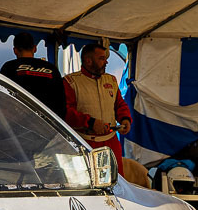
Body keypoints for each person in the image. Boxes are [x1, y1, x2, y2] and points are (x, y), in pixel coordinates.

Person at [64, 43, 151, 188]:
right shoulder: (71, 82)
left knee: (117, 184)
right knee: (88, 186)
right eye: (101, 58)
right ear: (88, 61)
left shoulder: (111, 80)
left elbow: (119, 104)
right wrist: (91, 123)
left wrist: (125, 119)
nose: (106, 62)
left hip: (111, 142)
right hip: (85, 144)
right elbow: (67, 113)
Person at [0, 32, 69, 119]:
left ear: (15, 50)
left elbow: (0, 97)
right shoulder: (51, 68)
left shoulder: (9, 67)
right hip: (47, 123)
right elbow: (62, 104)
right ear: (35, 48)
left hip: (17, 122)